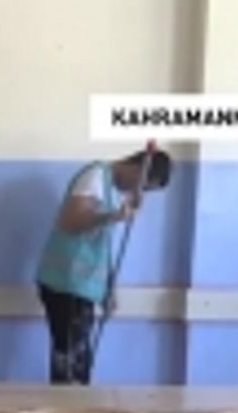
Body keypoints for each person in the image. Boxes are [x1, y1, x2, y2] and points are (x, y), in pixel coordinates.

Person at [35, 148, 171, 385]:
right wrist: (113, 216)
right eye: (143, 185)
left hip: (81, 286)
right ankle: (67, 407)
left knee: (78, 361)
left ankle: (73, 404)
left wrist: (109, 289)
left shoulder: (111, 191)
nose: (138, 190)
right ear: (137, 169)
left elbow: (101, 246)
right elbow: (70, 220)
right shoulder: (95, 177)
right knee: (71, 363)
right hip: (67, 283)